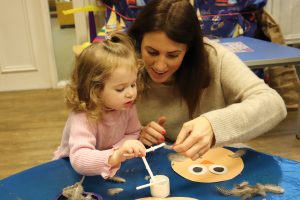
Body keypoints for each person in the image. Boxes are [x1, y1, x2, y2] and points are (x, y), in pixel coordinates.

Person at [127, 0, 287, 161]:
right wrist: (134, 134)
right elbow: (103, 131)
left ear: (189, 50)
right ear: (139, 43)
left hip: (214, 160)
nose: (160, 66)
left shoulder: (213, 57)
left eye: (173, 55)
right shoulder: (124, 62)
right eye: (152, 52)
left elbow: (273, 104)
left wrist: (213, 125)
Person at [53, 32, 146, 179]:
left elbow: (133, 132)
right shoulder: (83, 115)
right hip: (69, 170)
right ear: (95, 90)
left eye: (133, 84)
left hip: (107, 168)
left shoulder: (126, 105)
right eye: (120, 89)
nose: (130, 93)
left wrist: (122, 150)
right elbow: (80, 159)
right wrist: (115, 155)